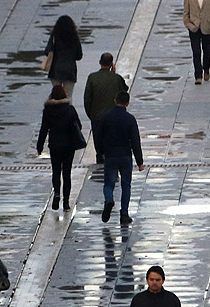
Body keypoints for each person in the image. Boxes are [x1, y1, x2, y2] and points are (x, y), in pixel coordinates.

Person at [96, 91, 144, 225]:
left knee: (109, 184)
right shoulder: (130, 119)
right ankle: (124, 214)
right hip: (125, 156)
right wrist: (139, 161)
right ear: (127, 103)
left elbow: (98, 137)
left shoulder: (105, 118)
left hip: (110, 155)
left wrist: (100, 153)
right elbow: (135, 141)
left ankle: (109, 200)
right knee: (126, 185)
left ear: (115, 100)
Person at [37, 85, 85, 211]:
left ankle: (57, 194)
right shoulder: (70, 109)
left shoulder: (48, 110)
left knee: (56, 172)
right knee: (67, 173)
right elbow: (78, 125)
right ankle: (66, 202)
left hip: (54, 145)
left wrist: (39, 146)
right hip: (69, 145)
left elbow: (43, 129)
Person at [83, 53, 128, 161]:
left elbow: (87, 99)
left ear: (100, 62)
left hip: (97, 116)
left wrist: (91, 115)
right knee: (112, 144)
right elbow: (124, 90)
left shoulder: (92, 77)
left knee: (99, 146)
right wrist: (113, 74)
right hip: (113, 117)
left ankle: (100, 160)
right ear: (111, 64)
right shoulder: (116, 78)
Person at [44, 15, 83, 96]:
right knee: (68, 94)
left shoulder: (54, 37)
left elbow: (47, 51)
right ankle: (67, 108)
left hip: (55, 69)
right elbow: (79, 55)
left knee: (56, 94)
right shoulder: (74, 37)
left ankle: (56, 107)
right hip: (70, 70)